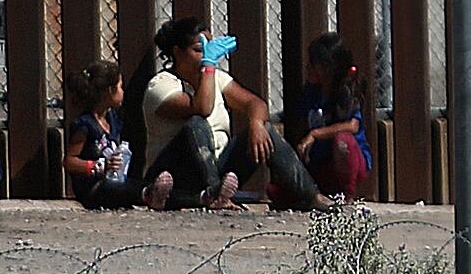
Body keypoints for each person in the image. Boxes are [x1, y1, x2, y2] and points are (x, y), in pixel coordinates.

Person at [135, 16, 333, 212]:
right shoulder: (161, 85)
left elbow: (254, 103)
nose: (206, 55)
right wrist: (209, 66)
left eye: (209, 48)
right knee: (196, 124)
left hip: (217, 167)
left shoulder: (216, 79)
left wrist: (256, 123)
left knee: (266, 129)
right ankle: (214, 193)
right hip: (173, 174)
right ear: (178, 52)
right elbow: (201, 108)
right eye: (199, 50)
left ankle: (310, 195)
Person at [285, 33, 373, 202]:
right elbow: (300, 125)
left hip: (347, 162)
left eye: (314, 64)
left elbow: (352, 126)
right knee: (280, 192)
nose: (308, 67)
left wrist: (315, 134)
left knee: (343, 141)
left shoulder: (346, 94)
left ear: (328, 68)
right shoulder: (310, 93)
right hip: (320, 162)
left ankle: (346, 195)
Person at [61, 62, 143, 209]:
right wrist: (100, 166)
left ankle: (194, 198)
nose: (123, 92)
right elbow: (70, 161)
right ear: (110, 91)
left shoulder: (112, 119)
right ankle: (148, 195)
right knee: (119, 190)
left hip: (114, 180)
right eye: (120, 87)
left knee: (134, 184)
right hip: (94, 188)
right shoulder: (85, 125)